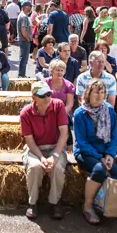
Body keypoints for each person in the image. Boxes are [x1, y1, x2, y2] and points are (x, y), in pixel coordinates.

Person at [73, 79, 117, 225]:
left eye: (102, 92)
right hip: (85, 151)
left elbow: (114, 135)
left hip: (105, 151)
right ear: (88, 93)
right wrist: (100, 158)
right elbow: (82, 142)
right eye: (96, 92)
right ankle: (87, 207)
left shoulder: (109, 110)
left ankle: (106, 204)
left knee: (116, 173)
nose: (99, 96)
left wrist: (110, 155)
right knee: (100, 170)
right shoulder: (80, 113)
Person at [20, 81, 69, 220]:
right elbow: (29, 141)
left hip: (55, 146)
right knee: (35, 167)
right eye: (42, 95)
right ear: (34, 98)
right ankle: (32, 203)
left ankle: (55, 202)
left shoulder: (58, 105)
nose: (47, 97)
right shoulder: (25, 113)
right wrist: (42, 158)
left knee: (57, 168)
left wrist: (54, 156)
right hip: (36, 148)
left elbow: (64, 133)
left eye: (48, 93)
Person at [16, 1, 33, 78]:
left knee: (23, 57)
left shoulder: (22, 15)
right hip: (24, 40)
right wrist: (28, 38)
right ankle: (21, 75)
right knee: (24, 58)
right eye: (29, 6)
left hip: (22, 39)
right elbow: (23, 29)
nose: (30, 8)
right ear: (26, 7)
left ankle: (21, 74)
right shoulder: (24, 17)